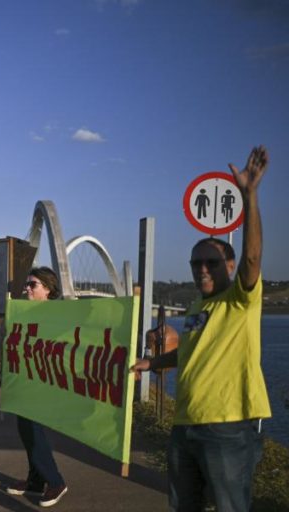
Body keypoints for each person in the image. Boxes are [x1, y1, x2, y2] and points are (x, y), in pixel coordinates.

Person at [132, 146, 270, 511]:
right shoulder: (197, 307)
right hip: (185, 425)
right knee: (183, 505)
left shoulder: (241, 299)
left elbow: (254, 257)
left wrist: (249, 195)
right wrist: (152, 364)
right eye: (196, 263)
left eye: (211, 262)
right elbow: (190, 350)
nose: (202, 269)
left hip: (227, 427)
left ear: (230, 264)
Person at [4, 267, 68, 508]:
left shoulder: (57, 314)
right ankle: (35, 480)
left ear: (48, 290)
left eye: (33, 285)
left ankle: (55, 481)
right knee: (25, 428)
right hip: (26, 379)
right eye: (27, 284)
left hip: (43, 381)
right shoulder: (28, 311)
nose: (27, 288)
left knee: (33, 430)